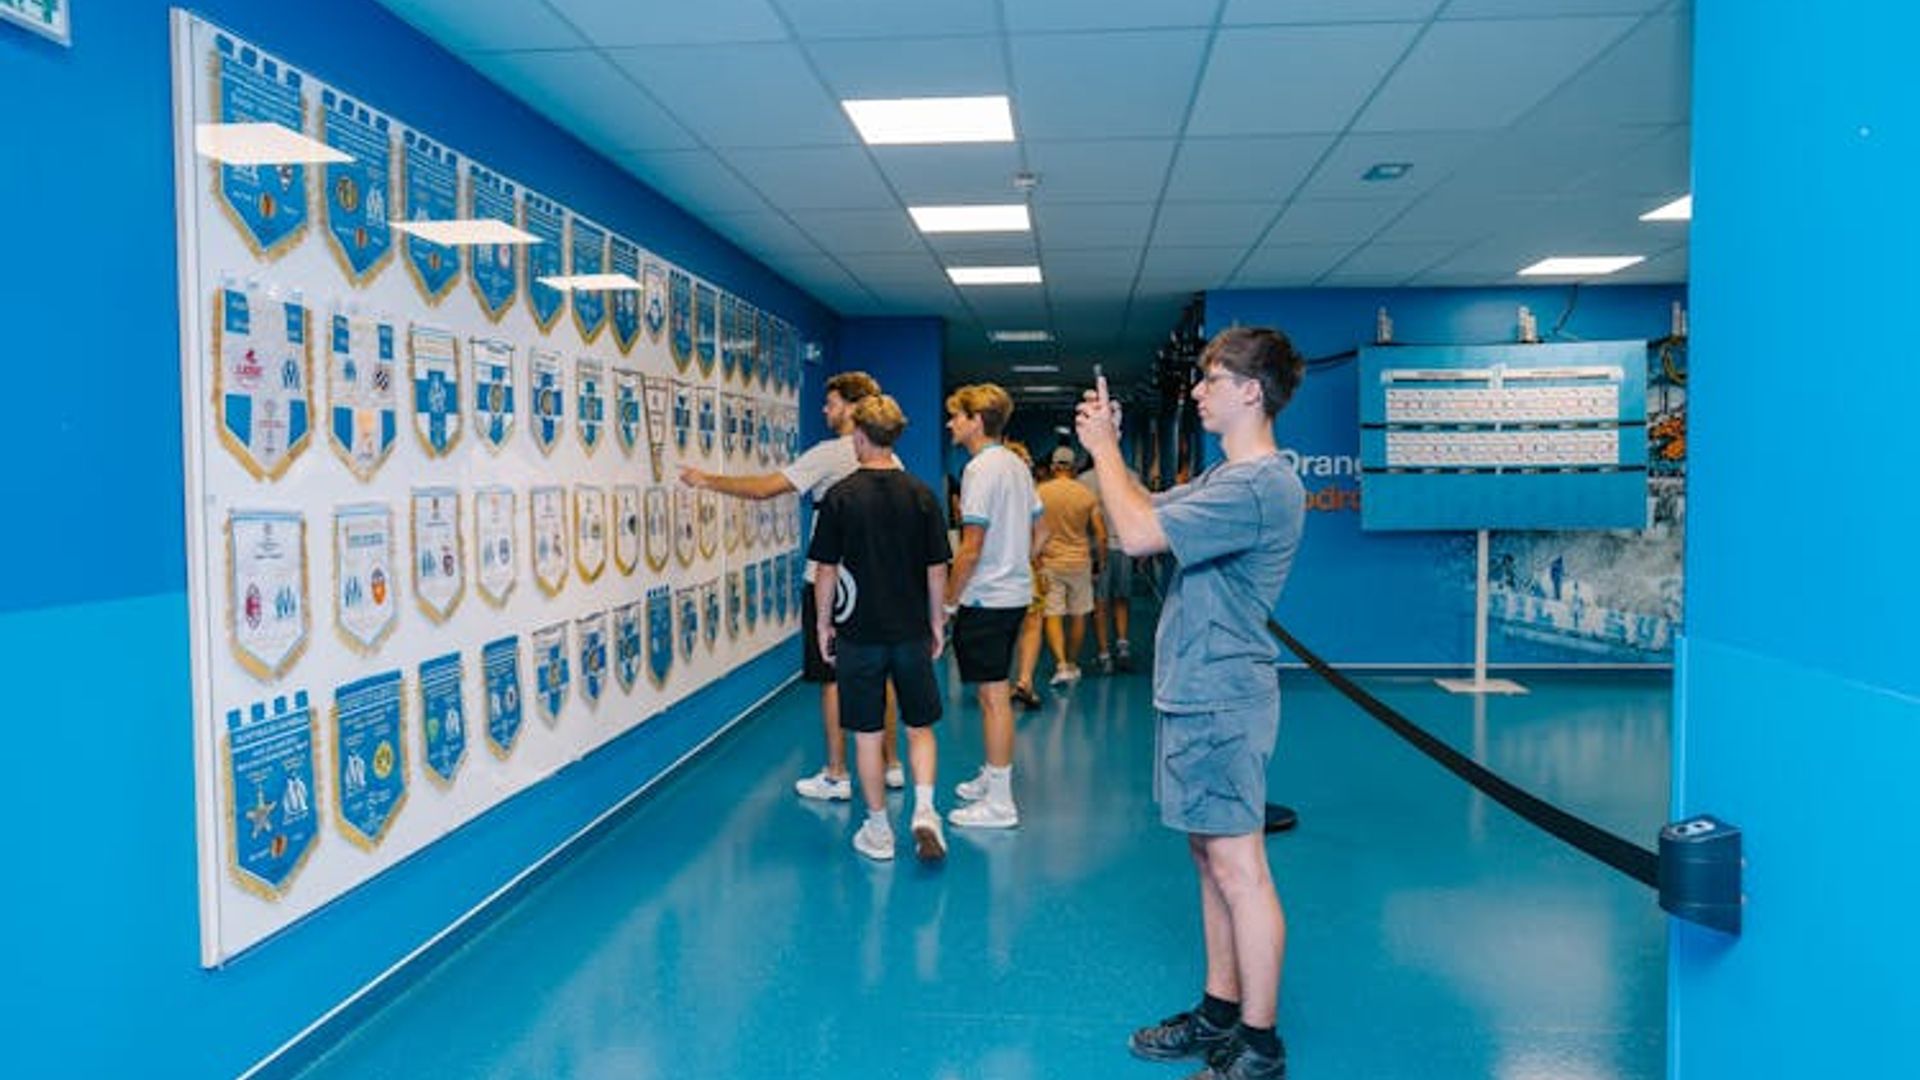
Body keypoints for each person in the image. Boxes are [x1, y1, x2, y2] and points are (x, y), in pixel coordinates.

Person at [1077, 327, 1307, 1080]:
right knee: (1208, 854)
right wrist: (1109, 447)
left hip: (1222, 698)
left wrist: (1106, 452)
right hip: (1194, 691)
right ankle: (1218, 1009)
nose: (1200, 391)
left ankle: (1260, 1044)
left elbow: (1138, 534)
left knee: (1240, 866)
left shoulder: (1260, 484)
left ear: (1252, 391)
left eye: (1214, 379)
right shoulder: (1222, 480)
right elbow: (1141, 510)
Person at [681, 371, 903, 801]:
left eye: (833, 403)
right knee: (880, 674)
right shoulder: (894, 460)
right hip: (877, 580)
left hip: (833, 582)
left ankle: (837, 774)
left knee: (833, 678)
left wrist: (706, 479)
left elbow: (766, 489)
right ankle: (891, 765)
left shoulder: (830, 453)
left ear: (854, 409)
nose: (825, 410)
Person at [808, 395, 951, 863]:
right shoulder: (923, 494)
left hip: (859, 634)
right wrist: (936, 622)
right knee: (919, 726)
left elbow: (826, 569)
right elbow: (935, 569)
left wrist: (824, 623)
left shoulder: (840, 496)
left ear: (860, 436)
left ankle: (878, 831)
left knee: (867, 734)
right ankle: (926, 810)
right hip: (910, 631)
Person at [942, 383, 1046, 830]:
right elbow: (1042, 533)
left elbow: (970, 548)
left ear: (976, 421)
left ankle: (1001, 802)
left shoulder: (980, 470)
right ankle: (992, 773)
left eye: (956, 416)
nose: (950, 424)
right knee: (994, 692)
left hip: (986, 598)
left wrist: (948, 602)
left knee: (993, 697)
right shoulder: (1016, 466)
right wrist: (1015, 562)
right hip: (1013, 593)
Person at [1035, 446, 1106, 684]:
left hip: (1049, 561)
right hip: (1079, 562)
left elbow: (1030, 529)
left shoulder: (1040, 492)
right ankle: (1074, 662)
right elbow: (1101, 534)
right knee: (1078, 613)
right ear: (1074, 468)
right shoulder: (1086, 495)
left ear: (1054, 467)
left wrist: (1034, 559)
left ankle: (1061, 664)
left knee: (1052, 613)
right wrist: (1101, 562)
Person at [1078, 454, 1142, 673]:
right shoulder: (1131, 476)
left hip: (1097, 549)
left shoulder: (1085, 480)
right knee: (1122, 598)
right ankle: (1123, 646)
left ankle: (1104, 654)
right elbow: (1140, 511)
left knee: (1100, 602)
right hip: (1125, 546)